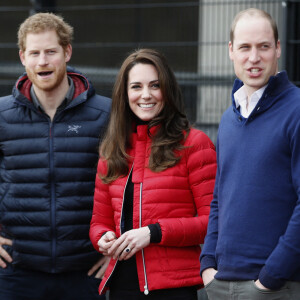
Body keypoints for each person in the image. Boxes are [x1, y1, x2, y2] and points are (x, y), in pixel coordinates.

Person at [89, 48, 217, 300]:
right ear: (125, 95)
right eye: (136, 87)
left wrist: (152, 233)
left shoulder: (195, 144)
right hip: (121, 287)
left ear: (167, 90)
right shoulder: (111, 151)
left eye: (155, 85)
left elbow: (212, 222)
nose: (145, 95)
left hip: (174, 288)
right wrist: (102, 238)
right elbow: (98, 222)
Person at [0, 12, 111, 300]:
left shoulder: (105, 114)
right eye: (34, 53)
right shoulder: (1, 116)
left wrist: (117, 251)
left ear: (67, 52)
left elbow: (132, 185)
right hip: (16, 272)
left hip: (86, 271)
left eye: (51, 51)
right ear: (22, 56)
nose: (43, 61)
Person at [200, 8, 300, 300]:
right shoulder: (229, 118)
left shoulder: (296, 110)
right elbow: (220, 197)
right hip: (220, 284)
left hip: (276, 287)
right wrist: (208, 264)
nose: (254, 58)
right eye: (245, 47)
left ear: (278, 49)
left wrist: (270, 278)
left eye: (263, 47)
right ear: (231, 51)